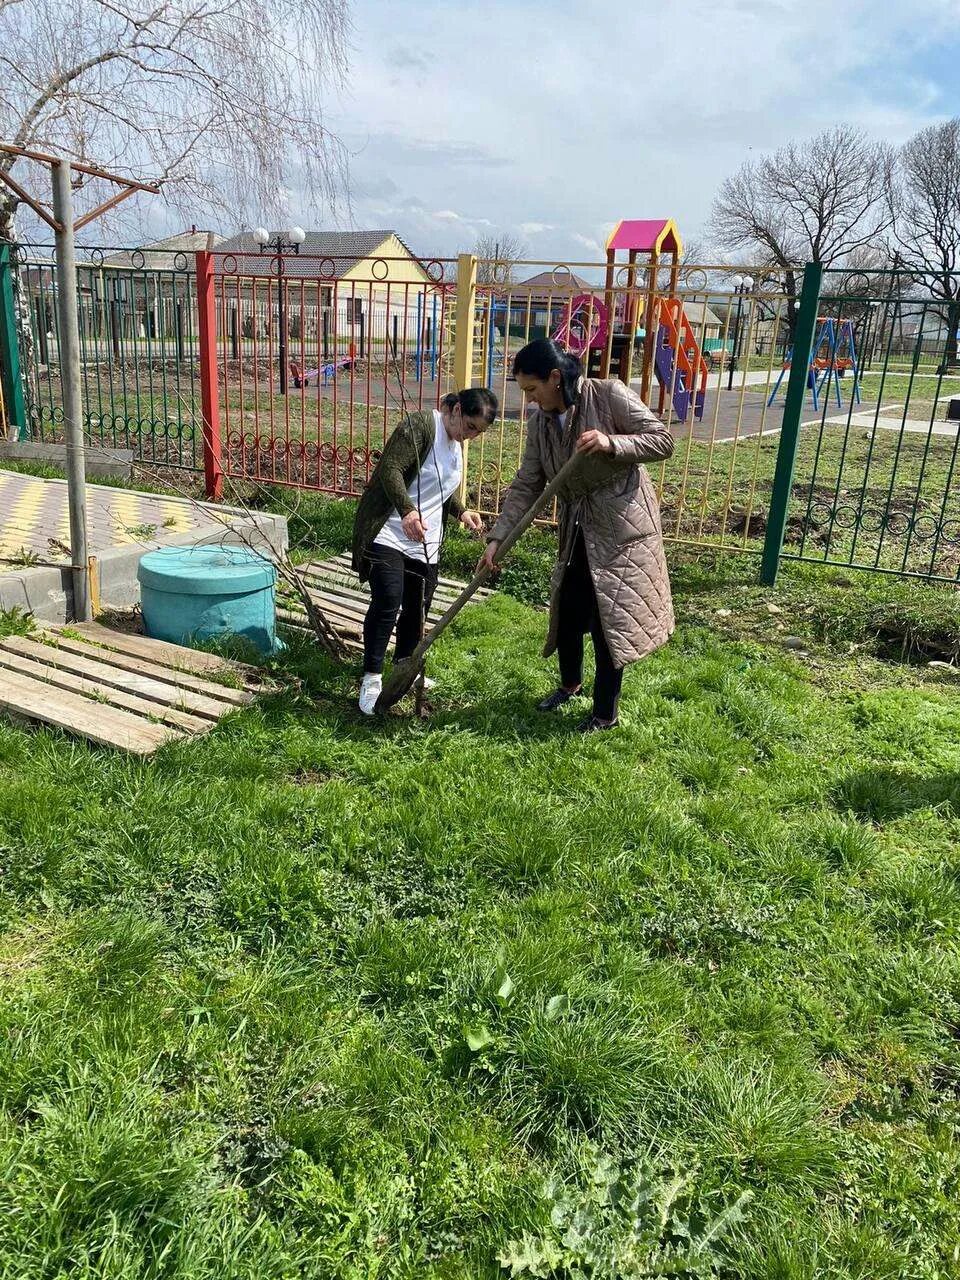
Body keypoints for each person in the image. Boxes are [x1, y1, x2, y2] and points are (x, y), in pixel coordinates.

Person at [481, 338, 673, 733]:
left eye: (533, 390)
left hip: (621, 528)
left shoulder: (608, 394)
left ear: (555, 378)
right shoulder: (541, 423)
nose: (531, 400)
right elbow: (527, 482)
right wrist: (499, 538)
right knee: (567, 609)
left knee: (609, 621)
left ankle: (605, 713)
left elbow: (662, 440)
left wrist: (611, 443)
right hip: (577, 526)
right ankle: (570, 684)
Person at [352, 388, 497, 714]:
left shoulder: (455, 445)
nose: (470, 436)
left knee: (418, 607)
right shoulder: (419, 427)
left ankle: (405, 667)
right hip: (388, 530)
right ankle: (372, 677)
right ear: (456, 410)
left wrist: (461, 511)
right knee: (388, 599)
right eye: (470, 427)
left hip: (424, 539)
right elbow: (390, 470)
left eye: (478, 432)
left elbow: (438, 486)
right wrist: (406, 511)